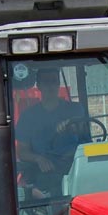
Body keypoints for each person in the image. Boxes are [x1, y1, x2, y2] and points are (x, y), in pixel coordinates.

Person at [15, 68, 89, 196]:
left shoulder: (75, 109)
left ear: (58, 84)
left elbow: (83, 131)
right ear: (39, 86)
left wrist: (72, 124)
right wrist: (38, 158)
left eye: (54, 81)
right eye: (46, 82)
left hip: (77, 166)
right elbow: (22, 151)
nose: (51, 86)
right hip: (45, 172)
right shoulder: (28, 117)